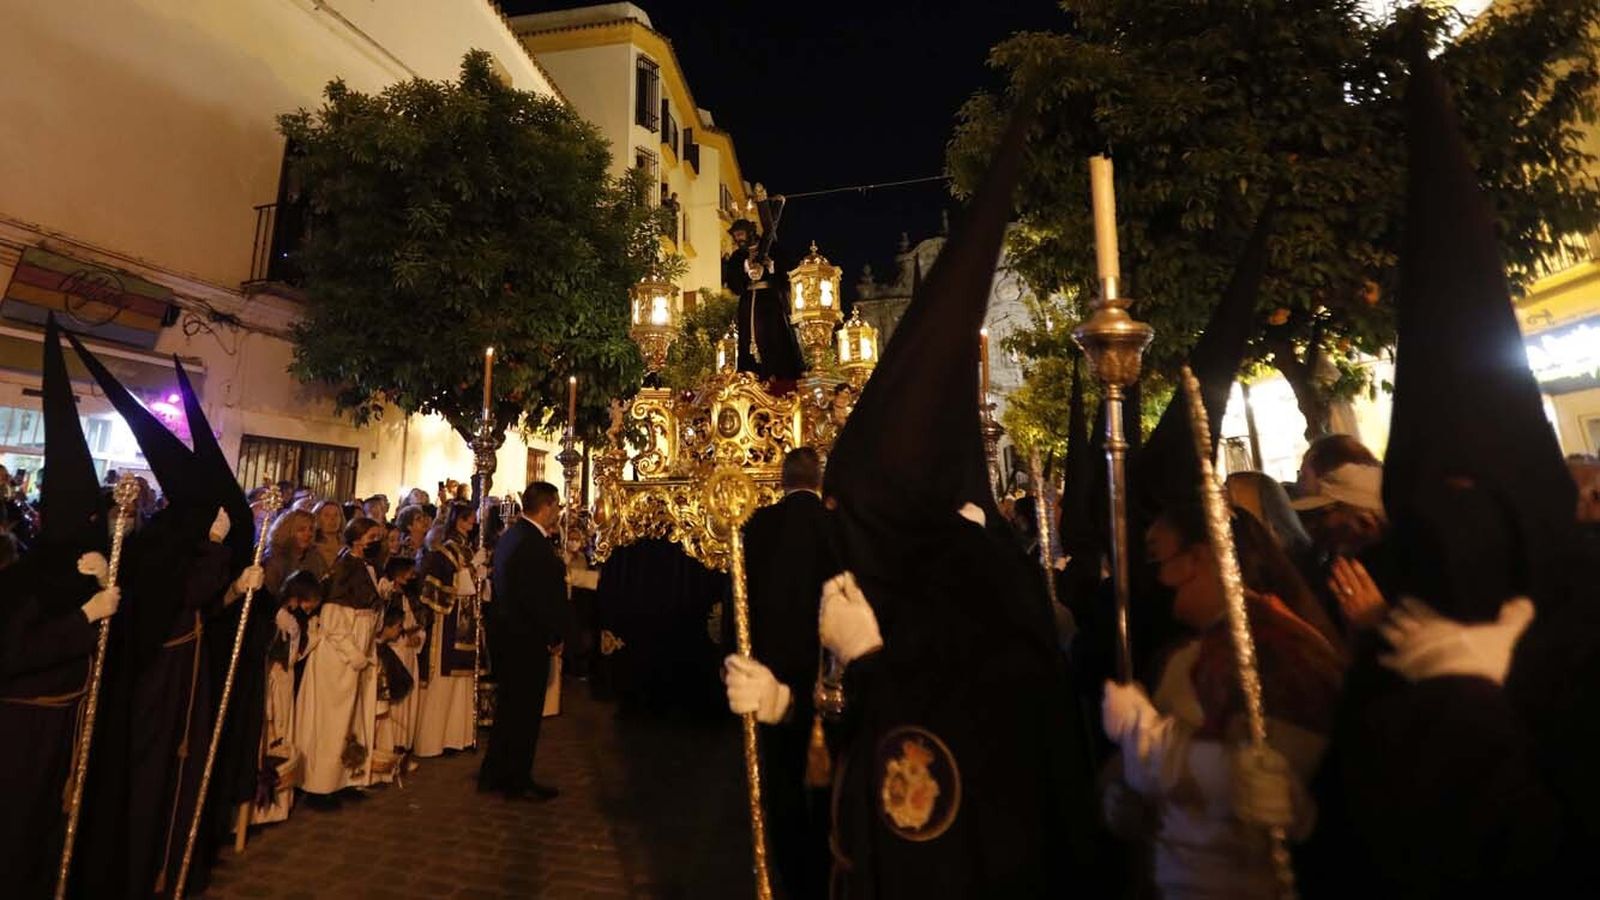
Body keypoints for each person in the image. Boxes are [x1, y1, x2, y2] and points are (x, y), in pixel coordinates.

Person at [1101, 501, 1344, 898]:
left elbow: (1277, 785)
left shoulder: (1281, 650)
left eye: (1157, 558)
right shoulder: (1187, 651)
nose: (1156, 578)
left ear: (1198, 558)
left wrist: (1152, 748)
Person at [0, 315, 117, 897]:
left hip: (65, 724)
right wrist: (83, 620)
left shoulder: (80, 574)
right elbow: (14, 653)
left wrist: (103, 596)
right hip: (21, 731)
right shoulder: (23, 581)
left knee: (52, 836)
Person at [721, 447, 839, 898]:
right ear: (819, 479)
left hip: (766, 675)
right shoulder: (835, 528)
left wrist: (734, 657)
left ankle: (790, 870)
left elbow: (737, 597)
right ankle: (824, 865)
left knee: (780, 779)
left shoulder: (756, 527)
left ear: (783, 480)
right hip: (822, 676)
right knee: (827, 777)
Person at [480, 482, 575, 800]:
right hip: (525, 639)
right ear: (547, 506)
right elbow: (536, 597)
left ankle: (496, 772)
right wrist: (554, 634)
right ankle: (515, 778)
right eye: (557, 507)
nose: (558, 513)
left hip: (512, 636)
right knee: (523, 713)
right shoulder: (530, 543)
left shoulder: (514, 536)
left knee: (510, 711)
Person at [295, 517, 384, 807]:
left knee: (350, 721)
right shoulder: (345, 568)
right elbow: (333, 619)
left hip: (356, 652)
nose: (376, 541)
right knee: (331, 722)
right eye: (372, 536)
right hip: (338, 658)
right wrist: (355, 654)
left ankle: (346, 777)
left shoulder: (362, 565)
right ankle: (321, 785)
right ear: (358, 539)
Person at [249, 569, 322, 827]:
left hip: (285, 680)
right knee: (273, 730)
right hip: (276, 679)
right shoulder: (281, 618)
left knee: (283, 728)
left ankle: (280, 801)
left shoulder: (295, 619)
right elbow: (285, 654)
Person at [414, 500, 482, 758]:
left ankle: (456, 736)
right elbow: (437, 589)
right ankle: (434, 740)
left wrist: (479, 574)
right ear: (456, 521)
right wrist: (471, 573)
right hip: (448, 622)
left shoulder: (467, 549)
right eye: (467, 519)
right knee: (444, 680)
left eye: (473, 519)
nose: (472, 523)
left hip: (465, 622)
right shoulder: (443, 553)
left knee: (461, 682)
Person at [261, 508, 324, 596]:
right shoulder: (274, 559)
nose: (308, 534)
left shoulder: (314, 556)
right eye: (301, 530)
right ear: (288, 531)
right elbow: (269, 593)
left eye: (311, 529)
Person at [311, 500, 345, 572]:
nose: (332, 519)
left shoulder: (347, 546)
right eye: (327, 515)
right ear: (318, 518)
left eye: (336, 515)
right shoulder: (313, 548)